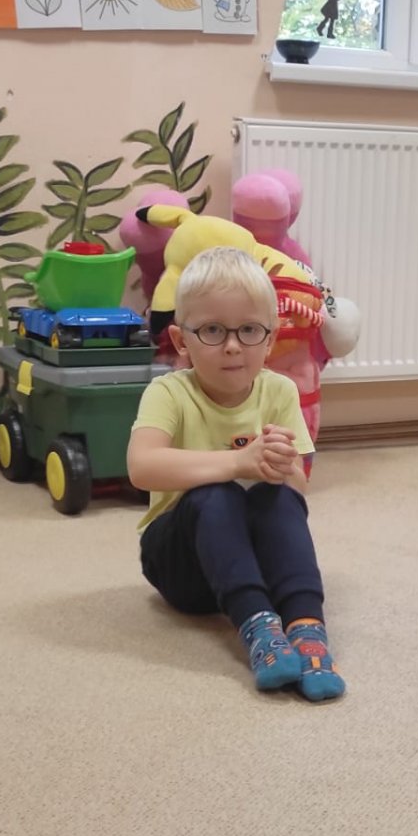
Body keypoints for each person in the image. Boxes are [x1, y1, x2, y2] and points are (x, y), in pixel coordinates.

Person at [126, 246, 344, 702]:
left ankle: (306, 627)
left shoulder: (279, 391)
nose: (232, 345)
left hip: (254, 560)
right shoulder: (168, 392)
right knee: (215, 494)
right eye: (212, 330)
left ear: (270, 338)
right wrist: (237, 463)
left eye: (248, 330)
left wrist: (279, 467)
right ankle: (258, 626)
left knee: (279, 497)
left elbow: (298, 489)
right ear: (181, 341)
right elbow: (141, 467)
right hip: (181, 564)